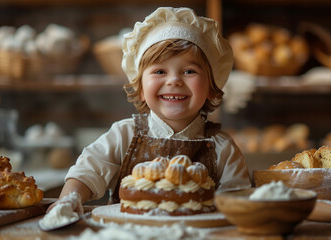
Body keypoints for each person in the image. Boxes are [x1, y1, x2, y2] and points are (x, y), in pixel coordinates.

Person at [48, 7, 251, 213]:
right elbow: (87, 173)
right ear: (141, 88)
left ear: (210, 87)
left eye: (189, 71)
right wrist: (69, 199)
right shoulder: (123, 135)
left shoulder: (223, 149)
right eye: (160, 71)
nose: (174, 80)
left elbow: (238, 205)